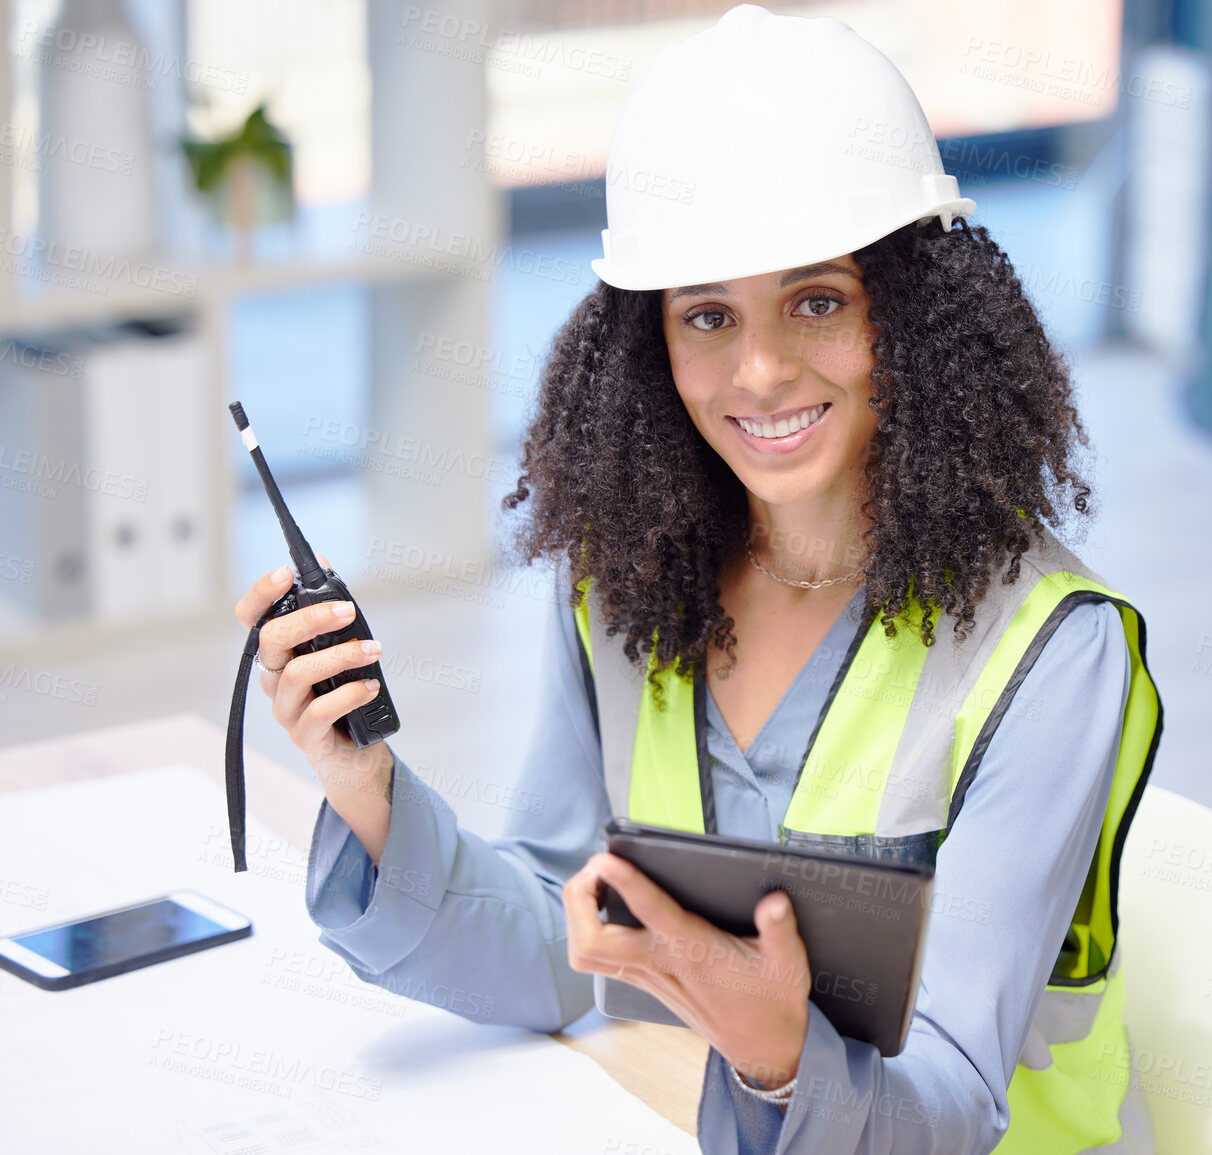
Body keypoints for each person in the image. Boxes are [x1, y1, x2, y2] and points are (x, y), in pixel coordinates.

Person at [231, 5, 1162, 1152]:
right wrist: (365, 791)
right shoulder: (625, 589)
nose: (760, 372)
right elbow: (563, 941)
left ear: (914, 317)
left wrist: (775, 1053)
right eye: (706, 315)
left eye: (816, 301)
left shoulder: (1052, 653)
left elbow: (958, 1105)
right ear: (646, 346)